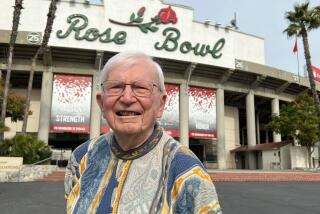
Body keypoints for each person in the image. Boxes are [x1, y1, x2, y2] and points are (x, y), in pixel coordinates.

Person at [64, 51, 222, 214]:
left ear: (161, 104)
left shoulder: (185, 169)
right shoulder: (82, 157)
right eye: (116, 87)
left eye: (140, 87)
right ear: (101, 103)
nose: (126, 98)